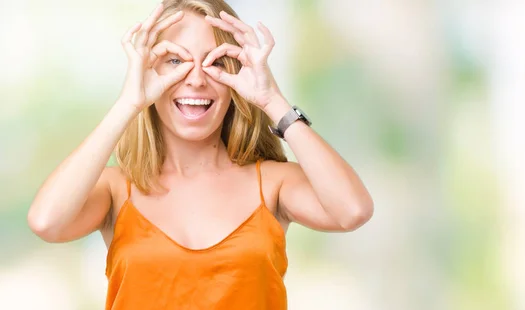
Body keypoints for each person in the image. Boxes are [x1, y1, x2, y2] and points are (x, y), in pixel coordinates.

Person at [27, 0, 373, 309]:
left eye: (215, 61)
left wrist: (272, 101)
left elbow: (352, 211)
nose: (195, 80)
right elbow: (47, 222)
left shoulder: (272, 183)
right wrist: (128, 103)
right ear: (148, 70)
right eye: (175, 60)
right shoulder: (117, 189)